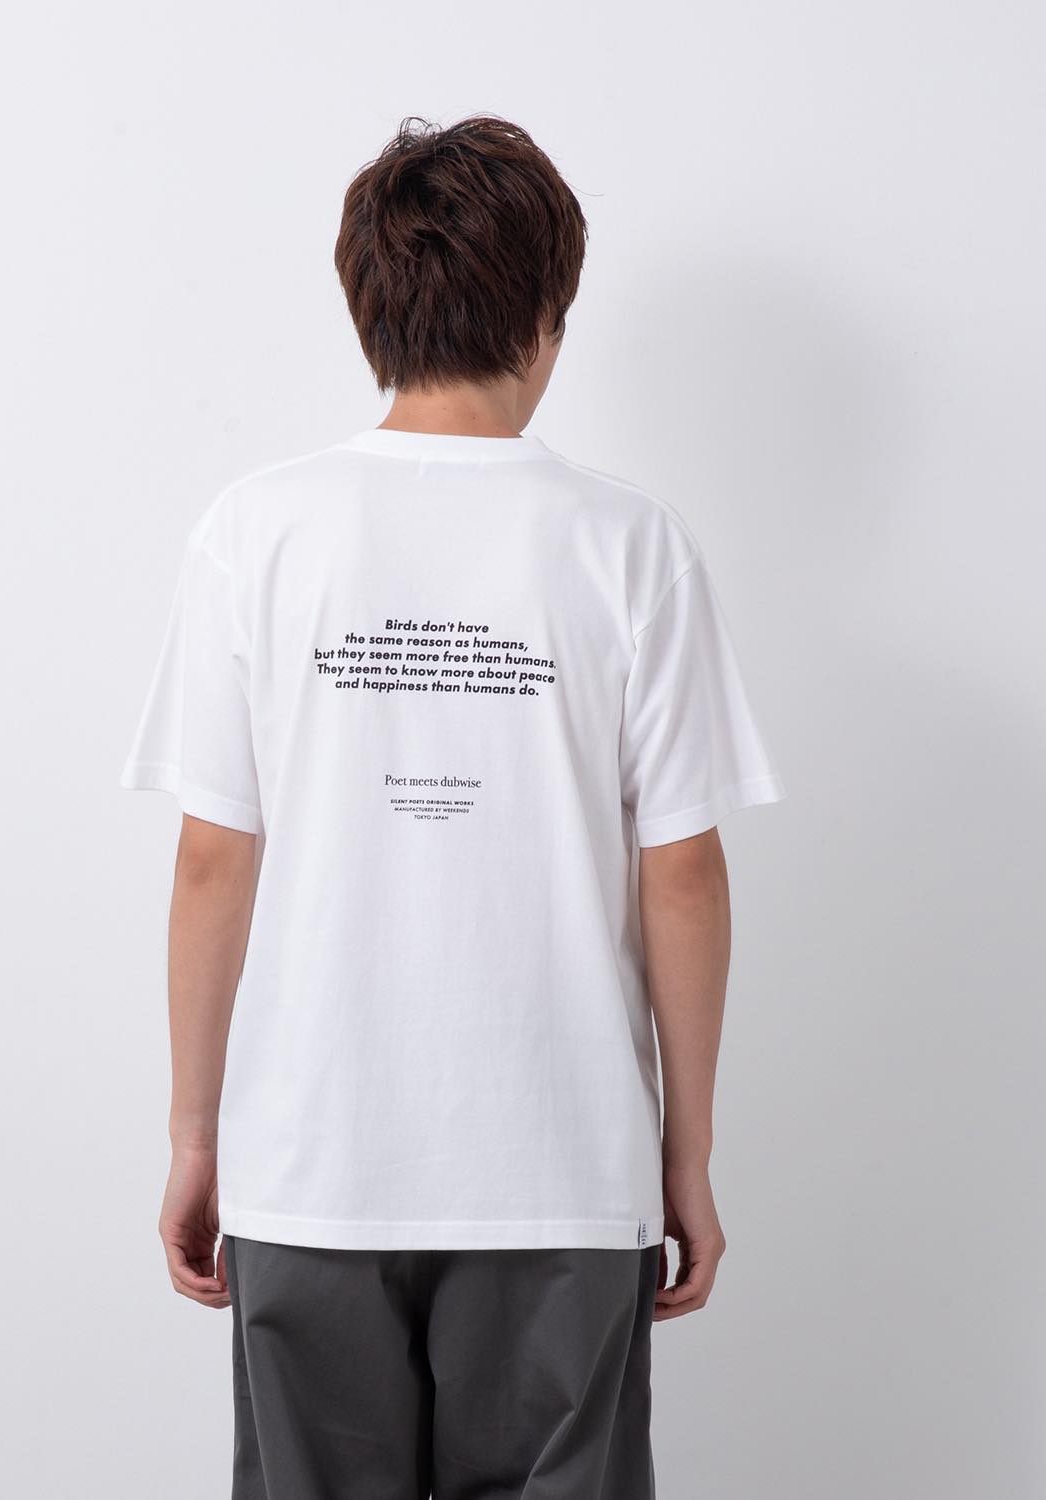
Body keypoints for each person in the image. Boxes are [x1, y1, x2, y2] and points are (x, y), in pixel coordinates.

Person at [120, 114, 785, 1499]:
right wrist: (688, 1151)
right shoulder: (629, 545)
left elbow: (210, 860)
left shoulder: (258, 530)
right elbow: (683, 871)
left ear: (368, 306)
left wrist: (197, 1135)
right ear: (548, 315)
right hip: (565, 1163)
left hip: (312, 1160)